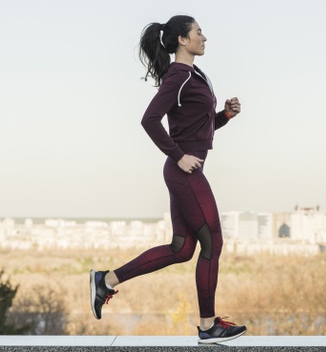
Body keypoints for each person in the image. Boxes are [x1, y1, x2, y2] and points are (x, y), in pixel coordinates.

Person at [89, 15, 246, 344]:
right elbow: (149, 120)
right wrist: (178, 156)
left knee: (182, 249)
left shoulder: (194, 74)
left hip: (187, 170)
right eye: (199, 32)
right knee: (212, 243)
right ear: (182, 41)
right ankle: (207, 326)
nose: (205, 37)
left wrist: (225, 116)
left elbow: (197, 128)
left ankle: (106, 280)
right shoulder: (178, 74)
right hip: (183, 172)